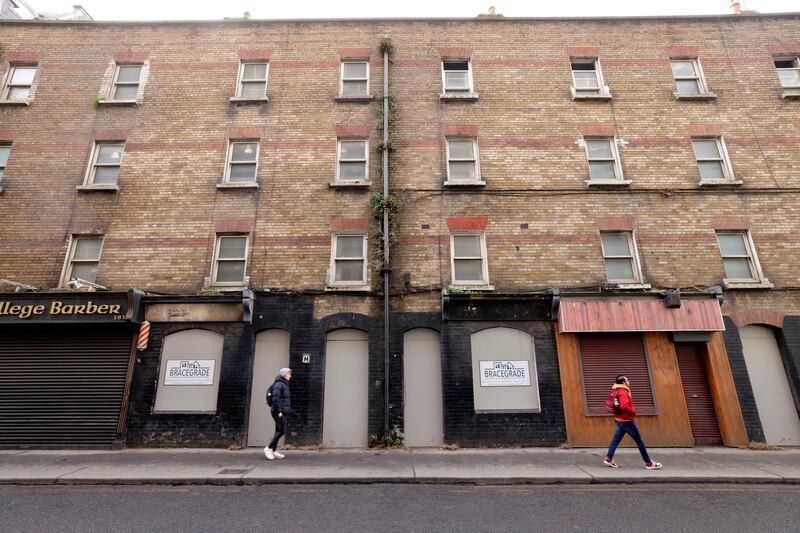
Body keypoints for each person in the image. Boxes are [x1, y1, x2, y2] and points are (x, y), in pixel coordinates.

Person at [603, 375, 663, 470]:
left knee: (616, 440)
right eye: (627, 380)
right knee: (640, 441)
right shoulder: (623, 392)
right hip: (627, 421)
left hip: (619, 420)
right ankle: (649, 463)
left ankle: (608, 458)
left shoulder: (616, 390)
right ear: (623, 382)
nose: (629, 381)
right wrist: (633, 411)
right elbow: (624, 406)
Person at [265, 367, 293, 461]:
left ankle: (274, 450)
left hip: (282, 411)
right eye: (289, 374)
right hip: (277, 411)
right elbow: (275, 400)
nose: (290, 375)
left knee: (278, 430)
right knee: (282, 430)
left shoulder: (284, 384)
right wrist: (279, 411)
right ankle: (268, 448)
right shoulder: (279, 385)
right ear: (284, 374)